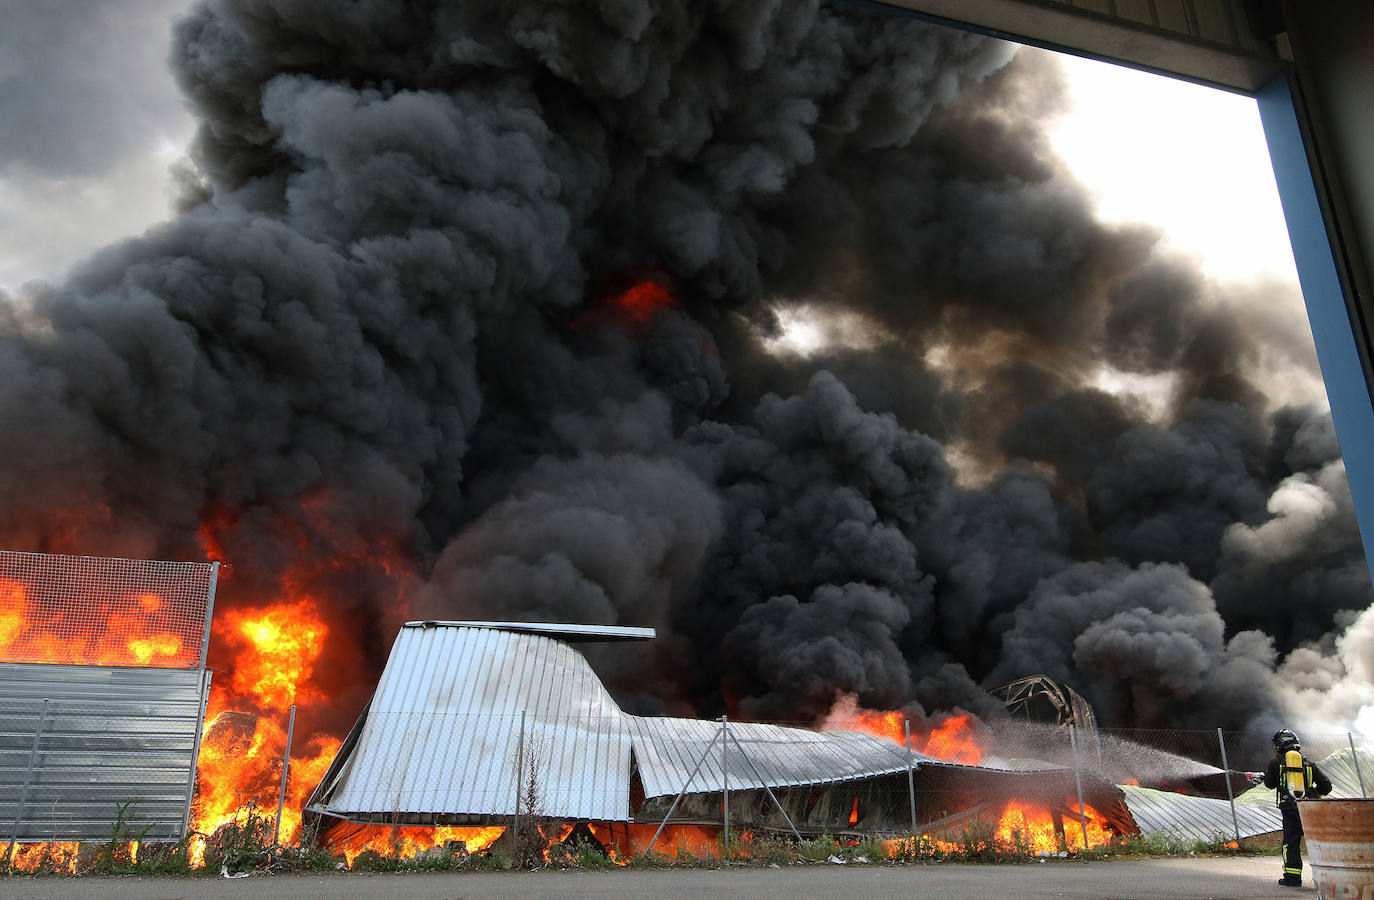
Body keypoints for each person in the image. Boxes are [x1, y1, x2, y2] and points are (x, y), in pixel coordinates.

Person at [1262, 728, 1331, 887]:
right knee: (1316, 842)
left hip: (1289, 808)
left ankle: (1292, 878)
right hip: (1308, 809)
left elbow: (1269, 784)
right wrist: (1313, 793)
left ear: (1279, 746)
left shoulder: (1277, 763)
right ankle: (1326, 876)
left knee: (1291, 842)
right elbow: (1326, 787)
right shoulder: (1308, 764)